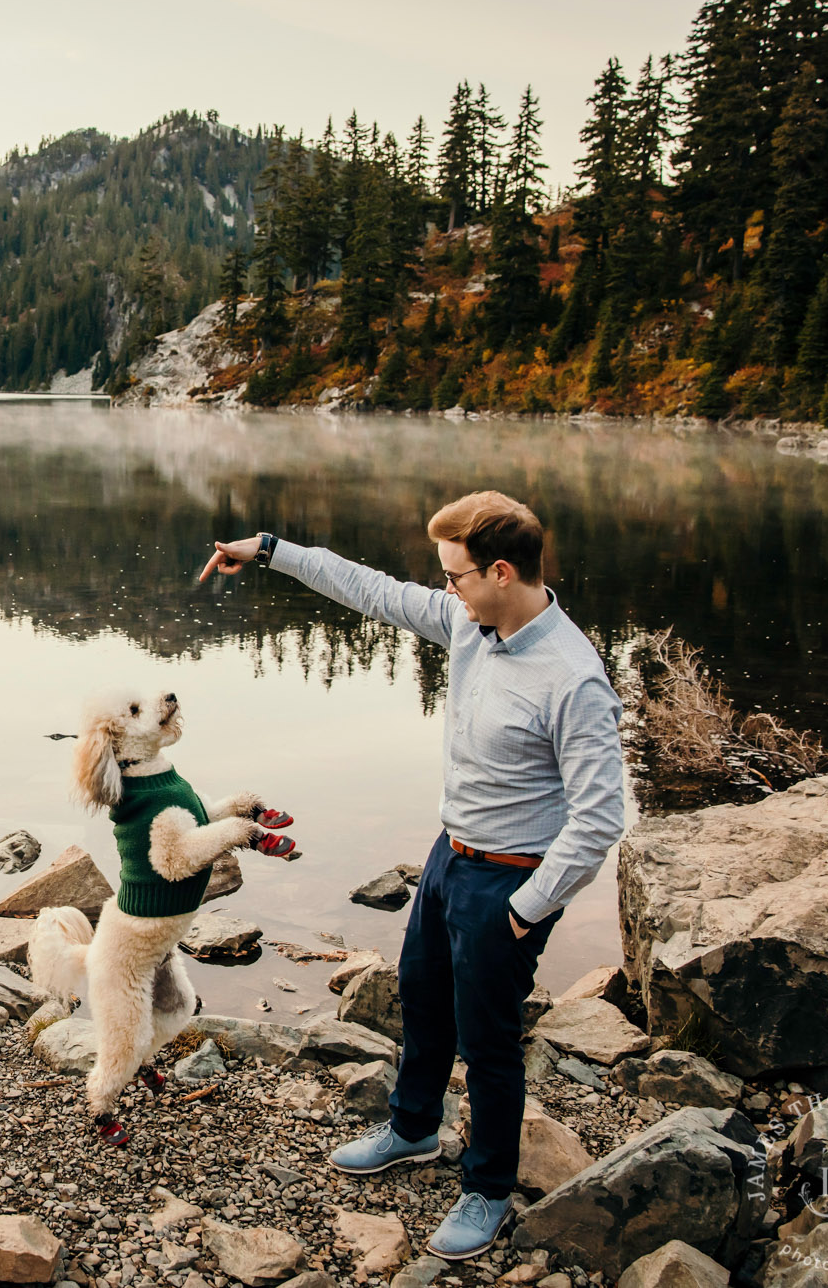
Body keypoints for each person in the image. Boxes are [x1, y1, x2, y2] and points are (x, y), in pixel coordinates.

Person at [200, 492, 624, 1260]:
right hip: (449, 856)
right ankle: (413, 1129)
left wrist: (527, 911)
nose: (447, 591)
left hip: (511, 879)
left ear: (501, 571)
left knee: (489, 1042)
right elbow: (368, 588)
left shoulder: (573, 677)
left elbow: (598, 819)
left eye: (456, 576)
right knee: (422, 997)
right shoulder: (474, 621)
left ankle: (488, 1189)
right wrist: (267, 547)